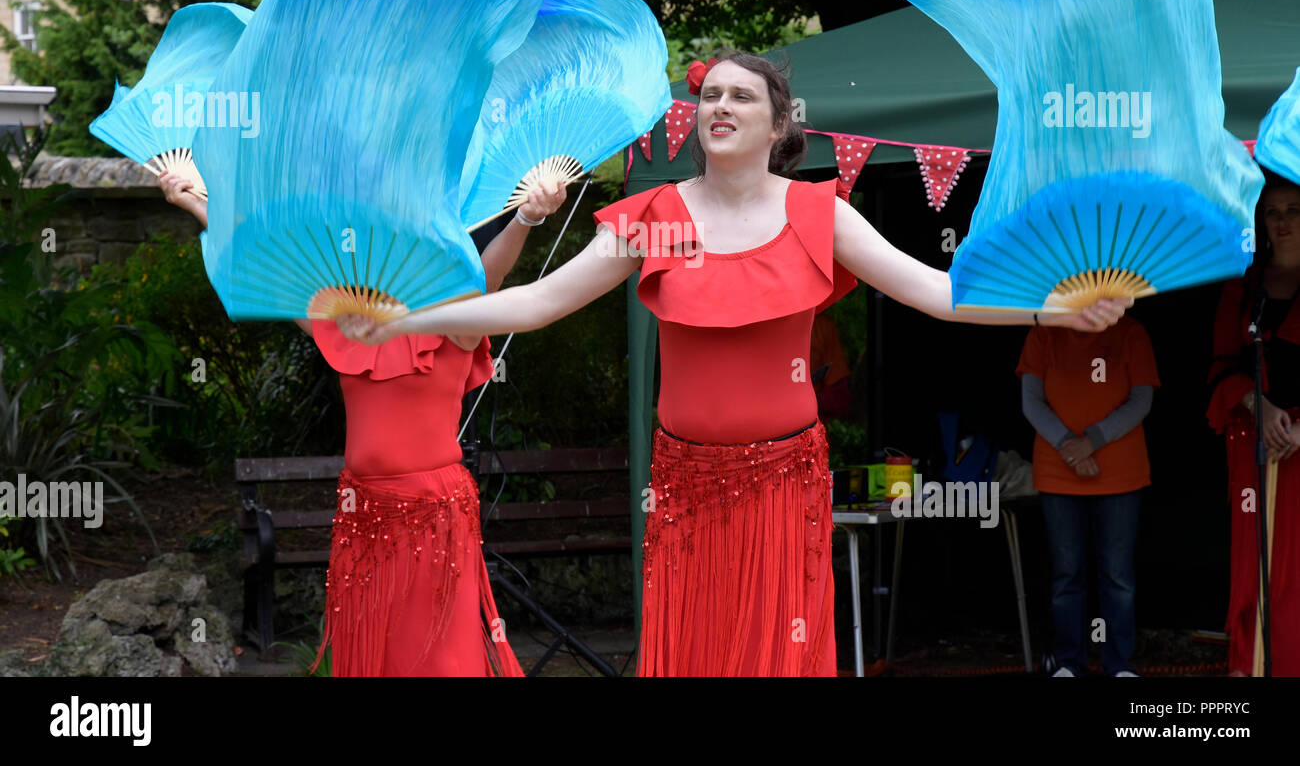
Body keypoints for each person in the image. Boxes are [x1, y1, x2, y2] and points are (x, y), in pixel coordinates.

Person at [338, 51, 1132, 676]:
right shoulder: (662, 219)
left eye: (740, 96)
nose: (719, 105)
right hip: (686, 489)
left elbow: (937, 291)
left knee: (778, 654)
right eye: (710, 95)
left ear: (782, 123)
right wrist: (417, 318)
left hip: (784, 487)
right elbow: (537, 304)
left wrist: (1051, 307)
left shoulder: (819, 213)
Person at [157, 169, 565, 676]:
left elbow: (490, 278)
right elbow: (269, 262)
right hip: (363, 513)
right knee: (370, 653)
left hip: (432, 516)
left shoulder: (456, 322)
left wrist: (526, 215)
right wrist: (199, 199)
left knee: (438, 657)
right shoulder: (349, 326)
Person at [1017, 315, 1158, 677]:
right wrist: (1069, 446)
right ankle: (1068, 663)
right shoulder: (1043, 332)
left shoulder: (1131, 332)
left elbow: (1141, 400)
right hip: (1058, 471)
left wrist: (1090, 442)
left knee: (1118, 574)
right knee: (1067, 573)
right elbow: (1031, 401)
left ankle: (1119, 665)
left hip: (1120, 473)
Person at [1207, 171, 1300, 676]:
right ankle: (1249, 667)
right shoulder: (1244, 287)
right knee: (1253, 565)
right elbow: (1221, 365)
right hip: (1255, 444)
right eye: (1272, 213)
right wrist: (1256, 403)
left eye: (1294, 212)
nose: (1282, 223)